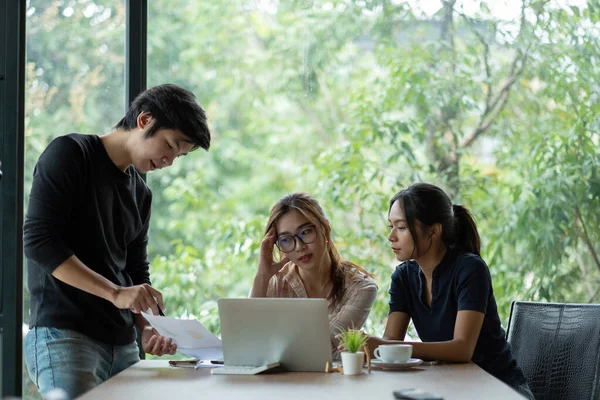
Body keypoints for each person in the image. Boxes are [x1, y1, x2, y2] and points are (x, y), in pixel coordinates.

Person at [23, 83, 211, 399]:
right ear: (144, 120)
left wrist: (148, 327)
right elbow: (39, 241)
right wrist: (116, 293)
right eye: (169, 145)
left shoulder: (142, 194)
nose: (168, 161)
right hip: (65, 337)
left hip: (124, 347)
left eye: (177, 155)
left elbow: (136, 272)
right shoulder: (70, 153)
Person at [365, 183, 534, 399]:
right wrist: (369, 347)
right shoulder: (403, 277)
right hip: (452, 387)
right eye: (390, 226)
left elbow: (462, 349)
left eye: (402, 227)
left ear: (433, 231)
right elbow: (390, 341)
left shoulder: (470, 269)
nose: (391, 237)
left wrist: (388, 347)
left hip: (500, 388)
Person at [250, 193, 378, 358]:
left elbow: (323, 345)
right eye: (286, 240)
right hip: (278, 381)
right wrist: (262, 275)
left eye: (305, 232)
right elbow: (248, 341)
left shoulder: (360, 287)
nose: (299, 247)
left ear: (325, 228)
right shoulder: (274, 283)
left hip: (335, 380)